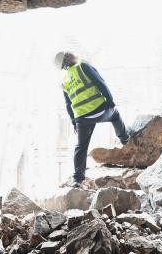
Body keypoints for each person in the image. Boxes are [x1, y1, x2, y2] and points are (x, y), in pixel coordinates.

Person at [54, 51, 129, 186]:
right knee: (115, 115)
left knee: (81, 147)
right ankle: (125, 140)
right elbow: (100, 82)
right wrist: (110, 101)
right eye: (69, 53)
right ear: (67, 58)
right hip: (99, 110)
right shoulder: (83, 66)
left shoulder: (64, 81)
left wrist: (74, 123)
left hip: (82, 118)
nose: (72, 53)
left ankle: (78, 178)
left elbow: (68, 105)